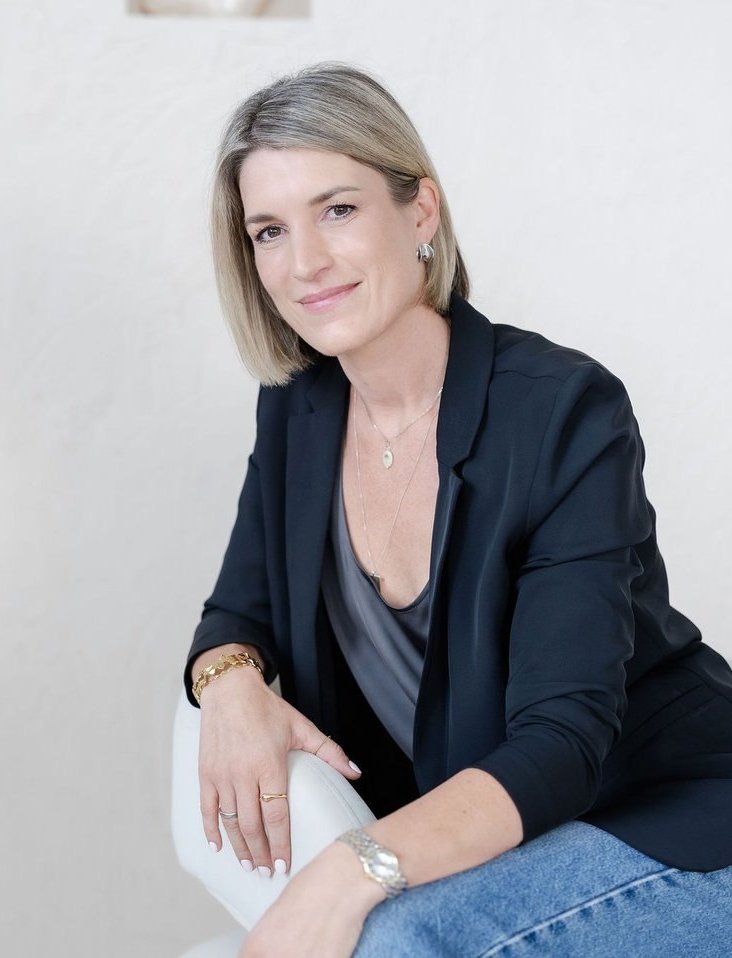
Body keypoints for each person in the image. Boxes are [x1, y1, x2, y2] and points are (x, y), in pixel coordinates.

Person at [182, 62, 732, 957]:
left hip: (672, 822)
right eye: (270, 230)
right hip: (516, 841)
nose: (305, 262)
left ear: (421, 213)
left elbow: (560, 743)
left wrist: (351, 869)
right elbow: (236, 612)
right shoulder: (299, 410)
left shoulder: (562, 411)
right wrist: (231, 683)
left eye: (339, 210)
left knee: (397, 942)